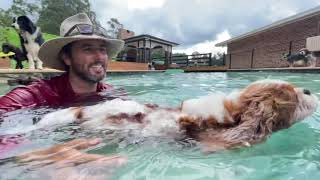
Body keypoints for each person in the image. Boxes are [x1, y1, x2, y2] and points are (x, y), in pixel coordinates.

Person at [0, 13, 125, 114]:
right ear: (66, 58)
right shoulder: (40, 94)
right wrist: (47, 147)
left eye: (102, 49)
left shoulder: (110, 93)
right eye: (87, 49)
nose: (99, 57)